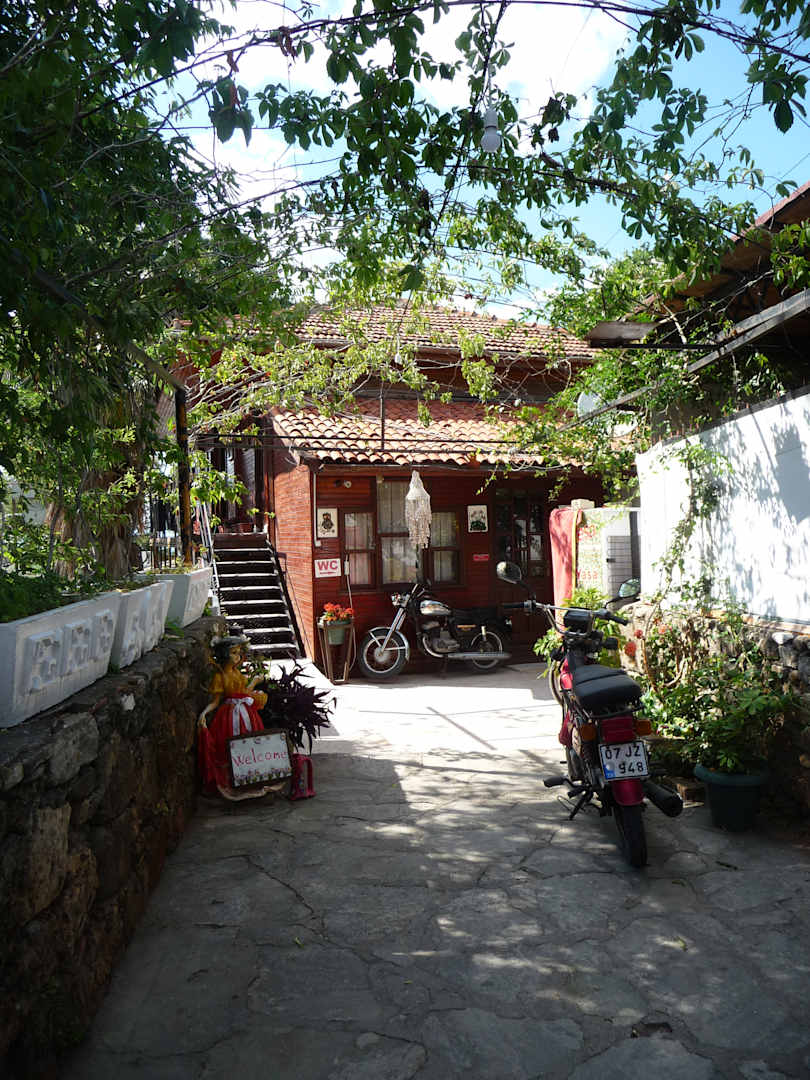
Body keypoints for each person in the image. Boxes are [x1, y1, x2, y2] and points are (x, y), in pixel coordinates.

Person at [198, 634, 270, 800]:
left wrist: (253, 682)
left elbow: (243, 692)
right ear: (224, 654)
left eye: (238, 652)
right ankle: (235, 777)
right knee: (230, 743)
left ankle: (251, 775)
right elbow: (216, 701)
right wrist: (205, 713)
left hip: (246, 712)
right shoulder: (220, 677)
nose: (238, 656)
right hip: (229, 715)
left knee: (250, 741)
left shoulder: (237, 673)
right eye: (233, 653)